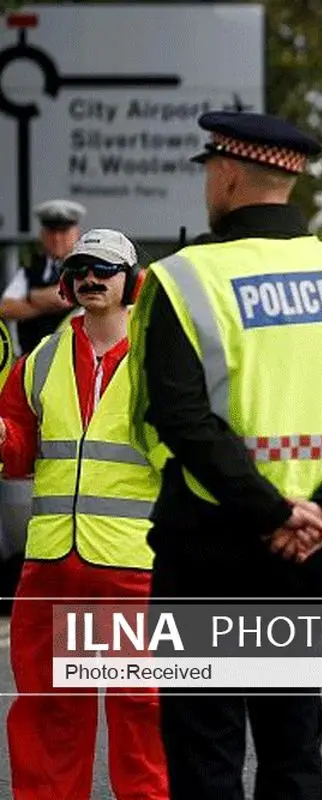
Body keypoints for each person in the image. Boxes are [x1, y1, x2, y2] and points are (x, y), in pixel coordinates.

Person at [125, 111, 322, 800]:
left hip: (208, 548)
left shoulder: (183, 281)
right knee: (292, 742)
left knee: (204, 748)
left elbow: (182, 422)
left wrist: (266, 509)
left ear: (225, 175)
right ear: (290, 179)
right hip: (311, 554)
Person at [1, 228, 169, 799]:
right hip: (50, 566)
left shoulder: (161, 363)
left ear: (133, 283)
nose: (91, 279)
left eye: (104, 269)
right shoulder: (40, 359)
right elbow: (17, 449)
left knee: (141, 715)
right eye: (80, 270)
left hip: (132, 567)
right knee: (48, 711)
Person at [0, 200, 83, 355]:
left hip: (75, 358)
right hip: (33, 358)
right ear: (42, 235)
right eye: (52, 232)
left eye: (64, 231)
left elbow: (65, 299)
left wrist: (32, 296)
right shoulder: (29, 271)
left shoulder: (85, 268)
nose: (57, 238)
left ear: (76, 233)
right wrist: (50, 301)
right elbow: (6, 308)